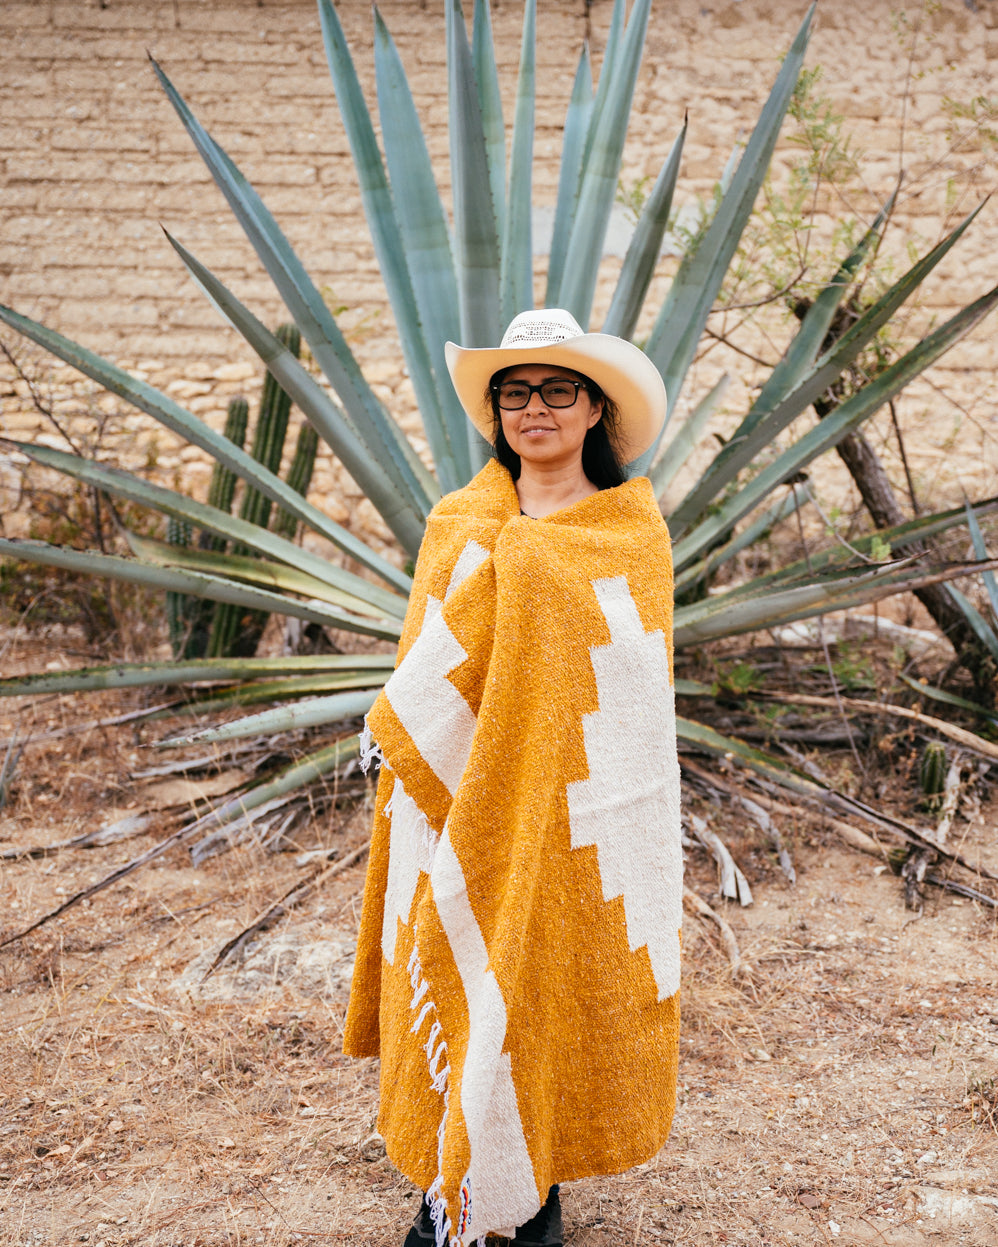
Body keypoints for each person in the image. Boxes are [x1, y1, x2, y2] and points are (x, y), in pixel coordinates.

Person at [343, 309, 683, 1247]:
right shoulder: (461, 525)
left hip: (577, 815)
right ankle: (452, 1187)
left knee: (544, 988)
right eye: (515, 392)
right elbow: (422, 672)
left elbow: (632, 702)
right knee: (459, 977)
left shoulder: (626, 540)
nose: (534, 408)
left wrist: (529, 570)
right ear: (497, 413)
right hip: (454, 804)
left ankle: (528, 1183)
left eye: (556, 390)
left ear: (594, 413)